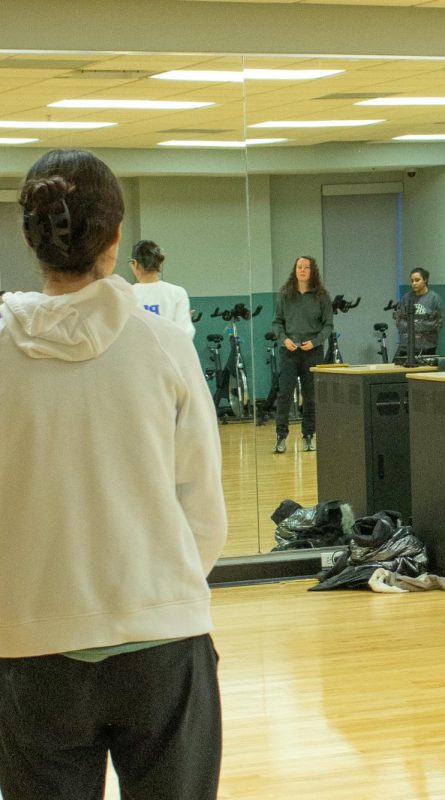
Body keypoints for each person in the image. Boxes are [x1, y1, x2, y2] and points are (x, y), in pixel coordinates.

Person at [0, 149, 226, 799]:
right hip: (161, 642)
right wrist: (152, 589)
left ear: (31, 236)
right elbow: (203, 511)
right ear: (118, 235)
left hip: (30, 648)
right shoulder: (165, 348)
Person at [271, 255, 332, 453]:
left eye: (306, 267)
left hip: (312, 352)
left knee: (311, 396)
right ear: (294, 270)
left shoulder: (322, 296)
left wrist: (314, 342)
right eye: (299, 267)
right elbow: (277, 322)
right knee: (285, 395)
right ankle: (281, 436)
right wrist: (284, 339)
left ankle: (308, 435)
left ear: (312, 271)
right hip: (289, 351)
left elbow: (328, 326)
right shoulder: (284, 294)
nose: (302, 270)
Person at [129, 238, 195, 337]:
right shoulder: (177, 293)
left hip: (136, 351)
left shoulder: (126, 293)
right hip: (170, 351)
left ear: (134, 263)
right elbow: (186, 334)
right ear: (160, 262)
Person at [392, 267, 443, 357]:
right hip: (406, 346)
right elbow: (399, 322)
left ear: (425, 280)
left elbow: (436, 324)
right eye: (412, 281)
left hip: (426, 346)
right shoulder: (406, 298)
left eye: (417, 280)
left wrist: (412, 326)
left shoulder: (434, 298)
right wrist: (416, 326)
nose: (414, 283)